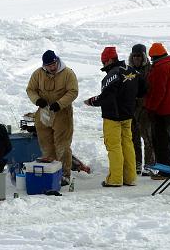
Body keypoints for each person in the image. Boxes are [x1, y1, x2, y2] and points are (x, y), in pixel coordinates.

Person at [83, 47, 142, 187]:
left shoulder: (112, 74)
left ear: (109, 60)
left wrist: (92, 101)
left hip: (113, 117)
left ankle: (115, 179)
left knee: (114, 146)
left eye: (104, 62)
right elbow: (143, 89)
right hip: (128, 115)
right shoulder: (132, 71)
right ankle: (130, 177)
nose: (103, 65)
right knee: (127, 144)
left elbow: (106, 96)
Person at [26, 50, 79, 186]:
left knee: (62, 146)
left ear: (57, 61)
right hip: (43, 113)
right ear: (44, 65)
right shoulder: (38, 74)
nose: (52, 67)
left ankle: (65, 174)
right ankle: (52, 172)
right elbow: (30, 89)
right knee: (46, 146)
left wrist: (60, 104)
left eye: (54, 63)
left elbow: (73, 91)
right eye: (49, 65)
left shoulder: (68, 73)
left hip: (62, 113)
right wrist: (37, 100)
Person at [144, 42, 170, 177]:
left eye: (152, 58)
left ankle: (165, 172)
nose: (151, 61)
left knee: (161, 143)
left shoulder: (160, 69)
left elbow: (157, 92)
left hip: (163, 112)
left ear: (154, 56)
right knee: (169, 141)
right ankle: (168, 168)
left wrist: (150, 108)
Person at [128, 44, 155, 175]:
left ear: (144, 56)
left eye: (139, 55)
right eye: (134, 56)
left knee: (148, 138)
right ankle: (137, 163)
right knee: (134, 138)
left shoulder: (150, 70)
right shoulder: (129, 70)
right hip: (132, 110)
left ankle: (149, 165)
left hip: (145, 110)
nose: (136, 58)